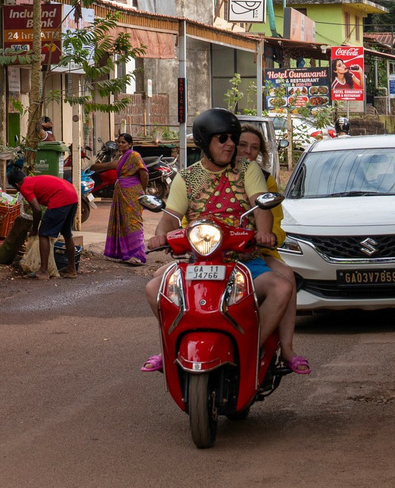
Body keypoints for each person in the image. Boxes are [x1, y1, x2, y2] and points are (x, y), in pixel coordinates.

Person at [141, 109, 308, 376]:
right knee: (154, 288)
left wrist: (264, 232)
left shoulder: (248, 169)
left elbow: (260, 206)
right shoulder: (187, 177)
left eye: (233, 138)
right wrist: (160, 234)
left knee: (281, 287)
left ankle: (251, 346)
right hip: (197, 262)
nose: (230, 144)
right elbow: (170, 217)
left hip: (244, 260)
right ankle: (171, 347)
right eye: (223, 138)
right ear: (204, 141)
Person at [234, 124, 302, 371]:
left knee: (286, 277)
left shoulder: (265, 180)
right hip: (211, 252)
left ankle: (287, 348)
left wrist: (268, 236)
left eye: (254, 148)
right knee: (163, 282)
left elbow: (276, 221)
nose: (248, 152)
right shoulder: (210, 175)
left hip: (258, 253)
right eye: (242, 145)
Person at [12, 170, 82, 278]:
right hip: (72, 196)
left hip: (60, 198)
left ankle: (43, 271)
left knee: (43, 233)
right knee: (67, 234)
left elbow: (37, 209)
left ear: (16, 185)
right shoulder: (32, 180)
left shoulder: (25, 187)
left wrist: (35, 229)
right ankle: (71, 269)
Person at [99, 132, 148, 266]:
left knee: (133, 222)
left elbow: (144, 173)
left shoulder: (134, 155)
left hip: (133, 193)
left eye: (123, 142)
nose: (120, 144)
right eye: (119, 142)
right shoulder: (122, 157)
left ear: (130, 144)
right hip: (121, 192)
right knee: (122, 221)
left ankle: (137, 255)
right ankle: (123, 253)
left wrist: (142, 192)